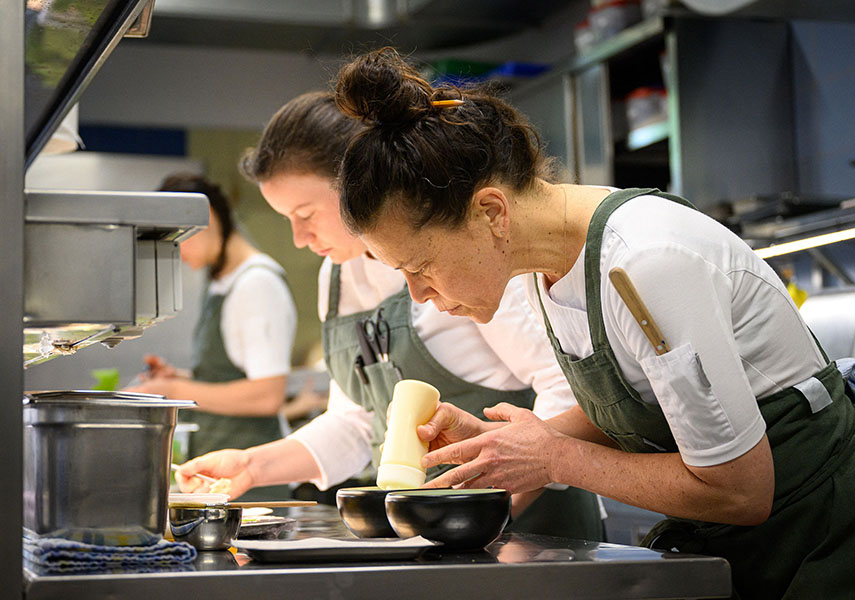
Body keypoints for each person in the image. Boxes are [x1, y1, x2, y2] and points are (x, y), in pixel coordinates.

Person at [329, 48, 855, 598]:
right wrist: (514, 444)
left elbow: (741, 490)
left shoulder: (645, 262)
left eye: (421, 267)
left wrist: (556, 458)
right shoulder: (542, 266)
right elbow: (643, 397)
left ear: (491, 213)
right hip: (752, 547)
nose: (420, 296)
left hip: (840, 537)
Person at [176, 92, 606, 541]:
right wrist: (250, 465)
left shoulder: (458, 254)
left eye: (305, 215)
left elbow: (566, 386)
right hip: (435, 531)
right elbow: (357, 422)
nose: (299, 238)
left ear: (356, 187)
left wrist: (494, 506)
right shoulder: (338, 275)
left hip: (532, 533)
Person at [127, 173, 297, 500]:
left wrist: (176, 390)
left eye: (178, 239)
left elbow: (267, 395)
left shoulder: (257, 284)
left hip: (255, 483)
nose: (176, 253)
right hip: (225, 476)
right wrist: (183, 378)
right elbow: (232, 375)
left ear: (209, 219)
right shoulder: (222, 281)